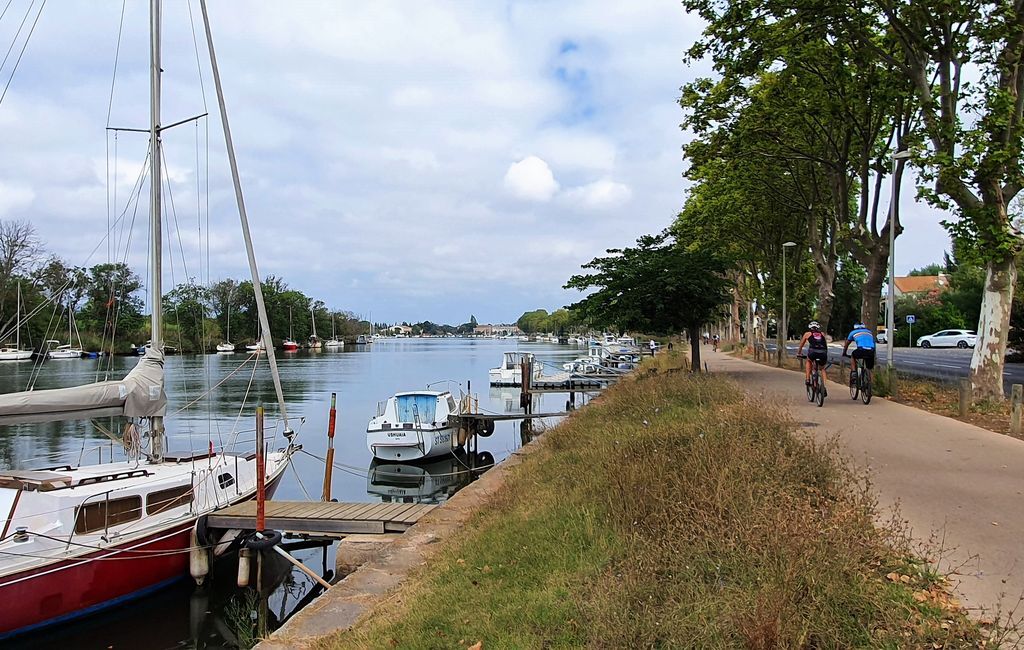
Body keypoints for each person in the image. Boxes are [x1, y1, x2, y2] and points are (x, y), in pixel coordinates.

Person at [796, 321, 829, 386]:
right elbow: (825, 344)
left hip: (813, 352)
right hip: (823, 352)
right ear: (818, 328)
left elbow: (801, 344)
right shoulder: (822, 334)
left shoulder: (807, 334)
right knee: (822, 368)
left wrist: (799, 353)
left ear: (810, 328)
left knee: (808, 361)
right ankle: (824, 386)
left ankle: (808, 379)